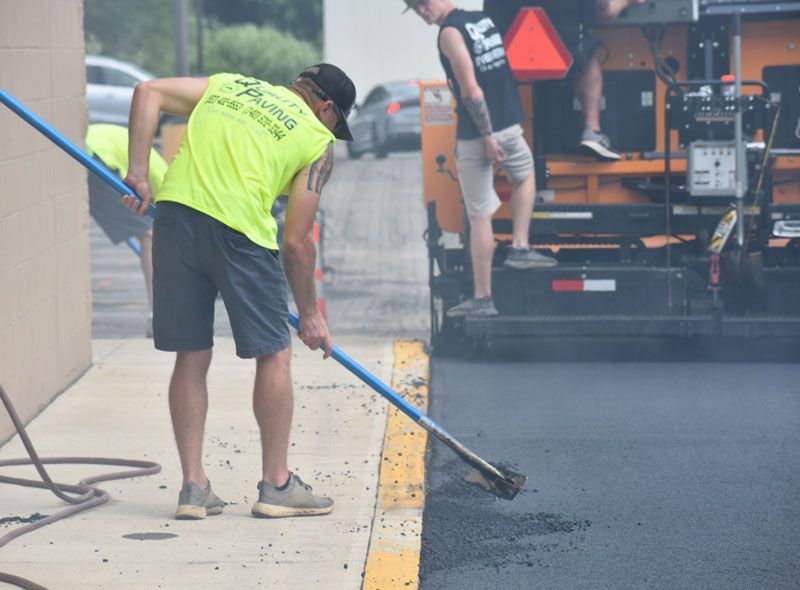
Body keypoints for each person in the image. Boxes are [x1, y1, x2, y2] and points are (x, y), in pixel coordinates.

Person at [121, 64, 356, 520]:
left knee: (190, 354)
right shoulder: (317, 141)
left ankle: (193, 487)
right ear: (327, 108)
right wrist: (310, 314)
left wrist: (139, 175)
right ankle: (278, 485)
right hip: (240, 235)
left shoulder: (229, 86)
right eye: (336, 123)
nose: (333, 130)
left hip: (176, 219)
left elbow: (147, 90)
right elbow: (297, 239)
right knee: (274, 353)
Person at [405, 0, 558, 319]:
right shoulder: (483, 22)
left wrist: (487, 136)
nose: (422, 13)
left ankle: (483, 298)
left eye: (423, 4)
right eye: (415, 9)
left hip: (478, 136)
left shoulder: (449, 33)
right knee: (525, 176)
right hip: (509, 124)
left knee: (478, 216)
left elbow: (472, 91)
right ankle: (519, 246)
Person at [483, 0, 646, 161]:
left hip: (505, 56)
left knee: (498, 62)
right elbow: (603, 8)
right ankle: (592, 131)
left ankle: (494, 132)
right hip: (564, 54)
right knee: (588, 54)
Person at [85, 123, 169, 337]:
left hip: (91, 149)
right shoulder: (167, 185)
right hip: (98, 159)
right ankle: (158, 316)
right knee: (151, 236)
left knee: (149, 234)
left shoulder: (163, 171)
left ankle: (159, 314)